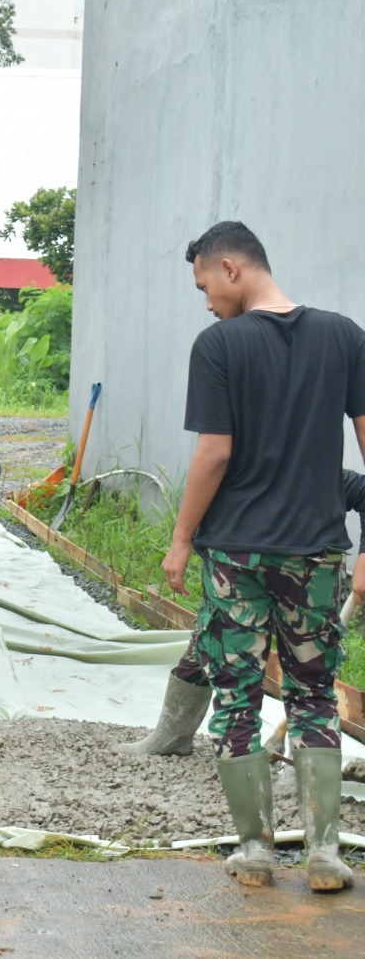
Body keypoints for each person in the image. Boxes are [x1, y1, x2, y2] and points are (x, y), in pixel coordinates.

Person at [159, 221, 365, 893]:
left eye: (205, 286)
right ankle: (326, 853)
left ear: (230, 268)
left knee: (240, 697)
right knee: (314, 698)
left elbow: (214, 452)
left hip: (237, 555)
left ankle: (254, 850)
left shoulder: (220, 345)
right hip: (316, 555)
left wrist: (182, 539)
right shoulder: (345, 337)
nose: (207, 302)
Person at [120, 467, 365, 760]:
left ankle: (303, 774)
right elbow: (202, 510)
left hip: (307, 581)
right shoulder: (236, 471)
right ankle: (171, 736)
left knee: (310, 678)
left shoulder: (318, 471)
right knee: (208, 644)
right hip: (240, 575)